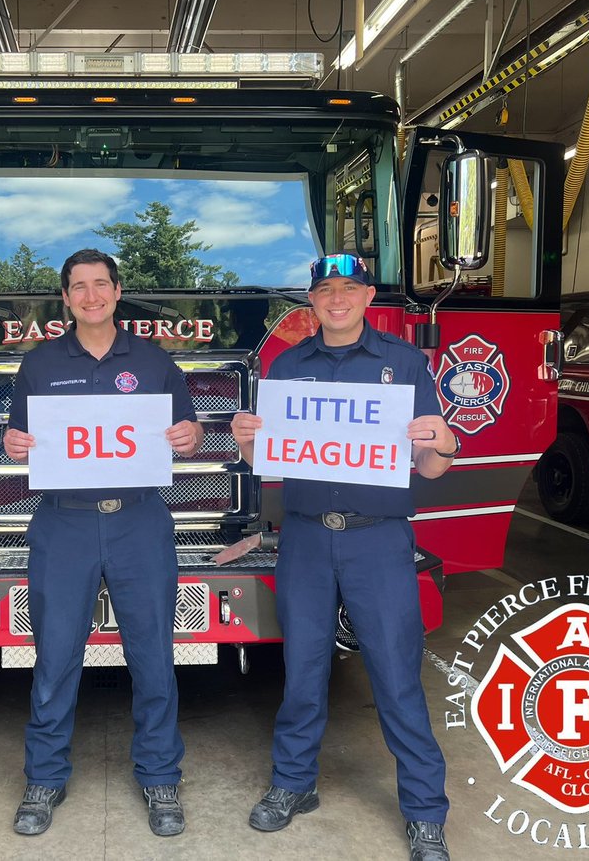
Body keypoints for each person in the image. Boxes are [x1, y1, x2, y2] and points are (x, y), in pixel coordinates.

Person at [230, 255, 459, 861]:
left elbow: (434, 463)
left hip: (378, 538)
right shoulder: (287, 365)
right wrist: (248, 439)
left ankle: (425, 813)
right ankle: (293, 784)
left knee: (395, 675)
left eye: (349, 289)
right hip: (305, 536)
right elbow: (264, 463)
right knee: (304, 669)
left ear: (368, 295)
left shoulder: (403, 362)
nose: (337, 299)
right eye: (325, 290)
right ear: (312, 300)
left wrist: (444, 441)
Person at [2, 248, 204, 838]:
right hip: (63, 524)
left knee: (152, 654)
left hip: (139, 521)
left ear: (118, 292)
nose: (90, 296)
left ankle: (161, 776)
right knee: (56, 654)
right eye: (78, 288)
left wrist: (190, 437)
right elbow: (20, 440)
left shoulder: (154, 361)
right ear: (65, 299)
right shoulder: (39, 364)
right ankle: (44, 777)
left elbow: (184, 440)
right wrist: (15, 446)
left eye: (100, 285)